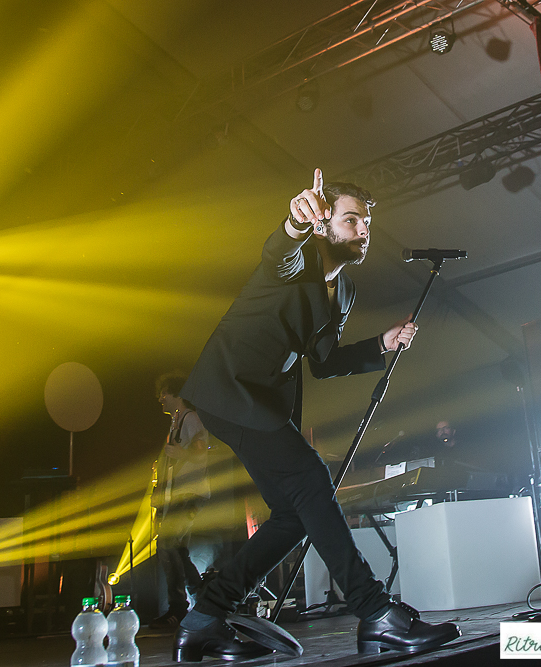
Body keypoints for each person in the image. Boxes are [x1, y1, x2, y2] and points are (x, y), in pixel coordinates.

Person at [173, 169, 460, 661]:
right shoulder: (296, 259)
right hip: (229, 392)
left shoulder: (344, 291)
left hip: (261, 403)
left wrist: (380, 344)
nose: (363, 230)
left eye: (367, 223)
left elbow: (323, 363)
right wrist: (293, 222)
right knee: (310, 477)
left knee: (292, 515)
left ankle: (204, 619)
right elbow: (277, 254)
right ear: (325, 223)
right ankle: (375, 612)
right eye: (352, 220)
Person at [150, 372, 211, 629]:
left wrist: (180, 453)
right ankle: (202, 600)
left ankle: (181, 606)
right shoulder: (176, 423)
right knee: (174, 548)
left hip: (190, 493)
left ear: (177, 393)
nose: (160, 398)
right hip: (179, 495)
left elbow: (202, 455)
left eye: (164, 392)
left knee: (168, 544)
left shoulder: (191, 419)